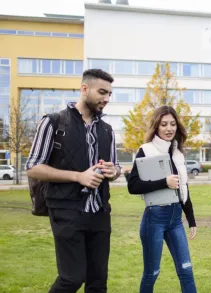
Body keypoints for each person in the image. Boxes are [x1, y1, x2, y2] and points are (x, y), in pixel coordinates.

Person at [26, 69, 121, 293]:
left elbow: (116, 168)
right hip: (66, 211)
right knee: (71, 279)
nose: (106, 98)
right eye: (102, 92)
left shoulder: (107, 130)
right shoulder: (53, 123)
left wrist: (113, 170)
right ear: (84, 89)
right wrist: (79, 177)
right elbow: (32, 167)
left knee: (98, 282)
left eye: (109, 94)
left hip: (99, 212)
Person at [127, 106, 197, 293]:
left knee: (186, 269)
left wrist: (191, 219)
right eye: (163, 124)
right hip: (154, 219)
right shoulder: (146, 150)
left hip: (175, 220)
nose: (169, 128)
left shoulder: (178, 153)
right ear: (156, 127)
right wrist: (163, 182)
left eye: (173, 124)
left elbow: (183, 187)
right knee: (152, 272)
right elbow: (132, 186)